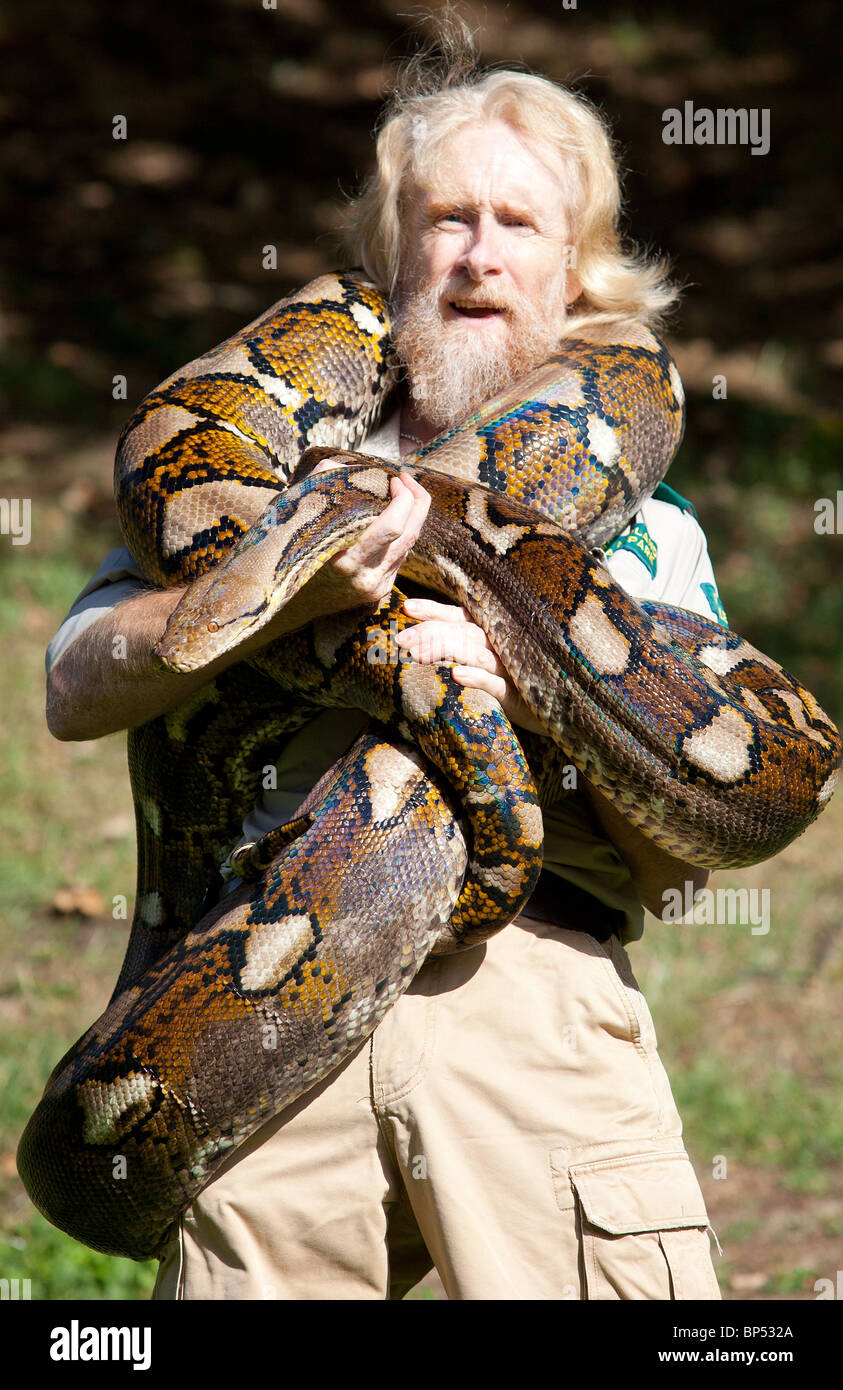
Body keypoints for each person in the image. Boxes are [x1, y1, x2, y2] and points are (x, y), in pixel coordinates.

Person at [44, 48, 728, 1300]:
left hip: (531, 1007)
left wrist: (529, 679)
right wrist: (262, 608)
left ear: (573, 269)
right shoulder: (247, 490)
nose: (478, 255)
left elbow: (692, 848)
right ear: (392, 252)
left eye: (517, 222)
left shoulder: (652, 534)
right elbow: (75, 683)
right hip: (257, 1041)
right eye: (446, 218)